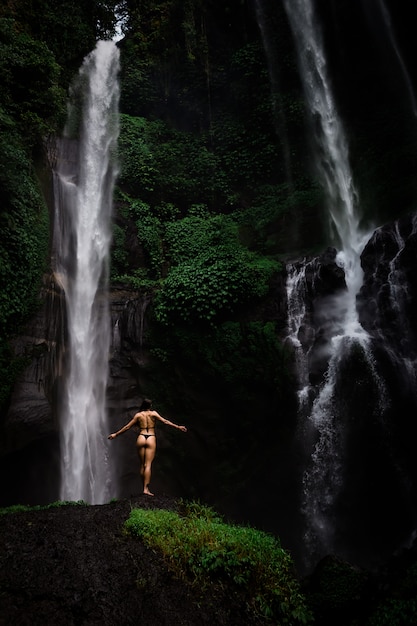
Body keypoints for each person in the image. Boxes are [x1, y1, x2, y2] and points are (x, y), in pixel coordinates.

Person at [108, 398, 187, 496]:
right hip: (151, 437)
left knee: (142, 465)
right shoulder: (153, 414)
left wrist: (115, 434)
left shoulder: (138, 415)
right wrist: (178, 426)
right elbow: (165, 422)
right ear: (150, 406)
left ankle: (143, 488)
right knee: (148, 464)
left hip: (141, 437)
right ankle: (146, 489)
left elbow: (127, 427)